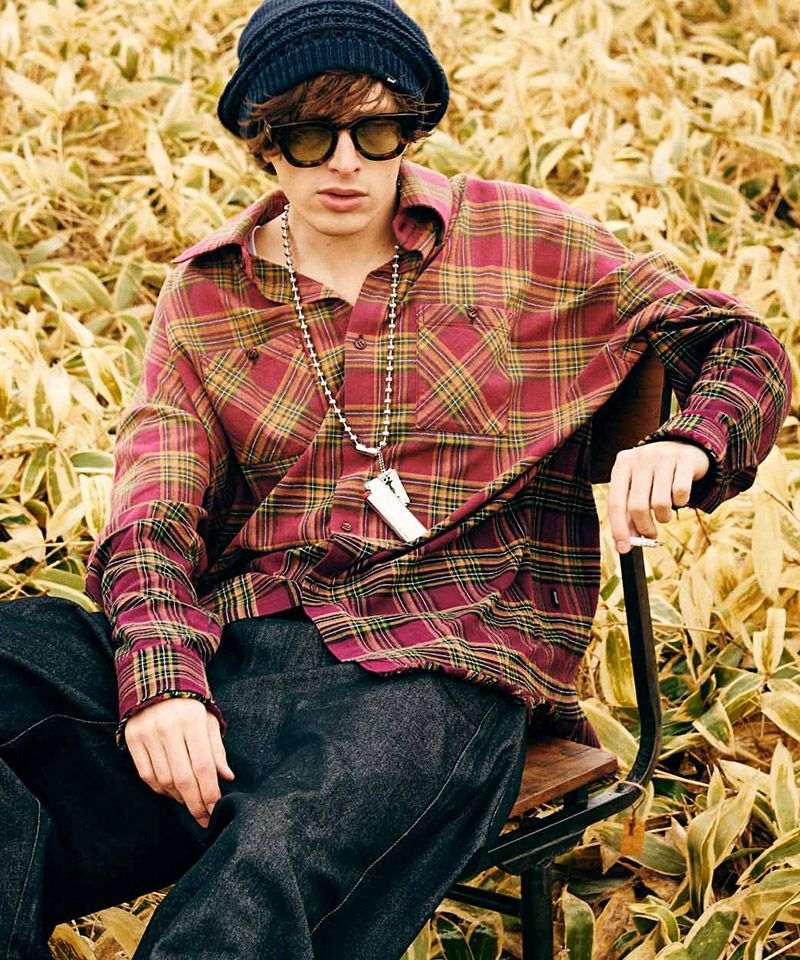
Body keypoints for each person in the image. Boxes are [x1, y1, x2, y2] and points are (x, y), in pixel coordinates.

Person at [0, 0, 792, 957]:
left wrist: (690, 441)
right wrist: (166, 682)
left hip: (441, 652)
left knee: (272, 866)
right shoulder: (207, 296)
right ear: (264, 140)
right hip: (243, 632)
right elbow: (152, 514)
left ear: (411, 130)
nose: (345, 163)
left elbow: (738, 342)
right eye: (309, 135)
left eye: (374, 132)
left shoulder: (518, 241)